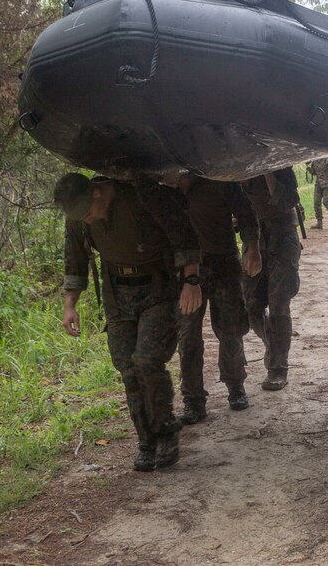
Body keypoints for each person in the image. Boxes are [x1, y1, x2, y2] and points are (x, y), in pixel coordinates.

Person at [55, 173, 201, 472]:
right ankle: (146, 441)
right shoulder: (78, 215)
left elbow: (183, 233)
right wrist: (70, 304)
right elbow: (75, 258)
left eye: (86, 215)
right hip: (116, 294)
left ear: (97, 194)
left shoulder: (141, 195)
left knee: (147, 359)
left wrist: (192, 281)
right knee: (127, 366)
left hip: (158, 288)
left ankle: (165, 431)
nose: (86, 221)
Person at [171, 176, 263, 424]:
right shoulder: (163, 189)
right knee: (188, 336)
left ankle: (235, 386)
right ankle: (193, 400)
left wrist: (252, 248)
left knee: (230, 329)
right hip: (184, 272)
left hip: (222, 264)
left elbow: (246, 214)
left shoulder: (219, 179)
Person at [240, 168, 302, 391]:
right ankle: (273, 345)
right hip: (253, 242)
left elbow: (289, 201)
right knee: (251, 305)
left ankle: (278, 368)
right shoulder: (233, 171)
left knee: (279, 306)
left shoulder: (281, 168)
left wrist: (266, 172)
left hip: (283, 239)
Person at [306, 156, 328, 229]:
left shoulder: (327, 159)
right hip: (318, 184)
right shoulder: (314, 160)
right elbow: (314, 173)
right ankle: (319, 223)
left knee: (326, 202)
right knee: (316, 203)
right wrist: (308, 166)